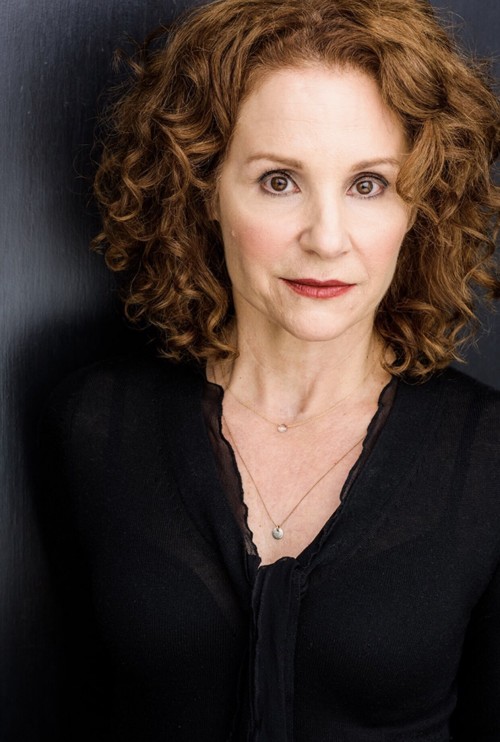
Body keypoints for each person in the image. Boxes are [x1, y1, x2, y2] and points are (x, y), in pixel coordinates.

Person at [40, 0, 500, 739]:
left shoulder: (488, 456)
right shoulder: (94, 423)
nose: (327, 239)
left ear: (419, 207)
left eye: (368, 184)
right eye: (280, 180)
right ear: (204, 188)